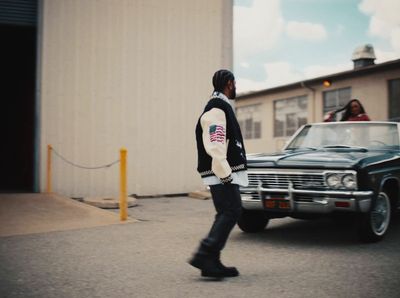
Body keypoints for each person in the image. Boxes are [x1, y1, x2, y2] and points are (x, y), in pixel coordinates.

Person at [189, 69, 248, 278]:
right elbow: (215, 143)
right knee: (231, 211)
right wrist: (225, 174)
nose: (236, 87)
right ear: (230, 83)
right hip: (221, 171)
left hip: (221, 170)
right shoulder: (216, 108)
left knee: (227, 212)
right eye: (235, 83)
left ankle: (210, 260)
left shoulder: (220, 106)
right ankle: (205, 254)